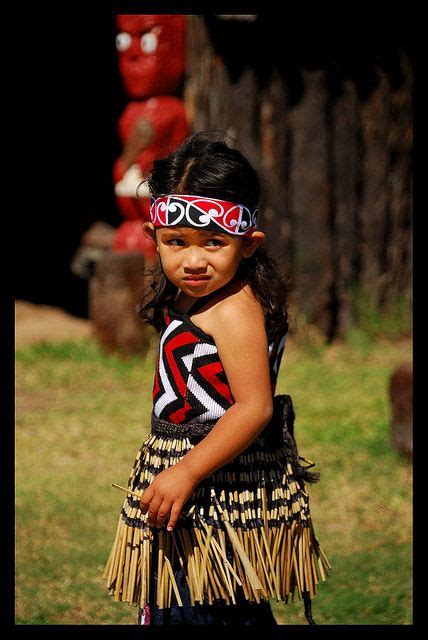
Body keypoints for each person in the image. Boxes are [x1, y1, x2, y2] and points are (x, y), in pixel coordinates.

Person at [103, 132, 331, 625]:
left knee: (209, 610)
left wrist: (185, 471)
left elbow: (255, 407)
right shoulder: (193, 295)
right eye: (176, 242)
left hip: (217, 497)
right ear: (154, 236)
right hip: (194, 490)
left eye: (214, 242)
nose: (193, 260)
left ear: (248, 244)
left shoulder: (234, 310)